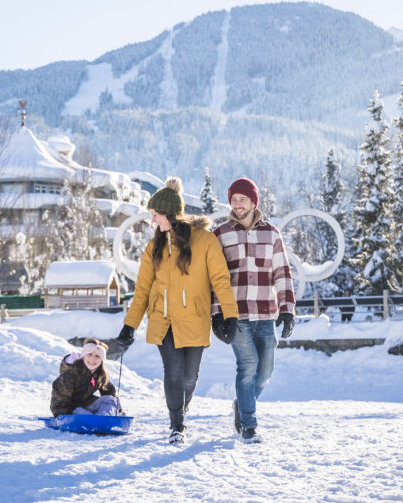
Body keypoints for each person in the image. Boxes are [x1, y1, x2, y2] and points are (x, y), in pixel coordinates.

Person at [115, 177, 239, 444]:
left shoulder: (205, 241)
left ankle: (180, 412)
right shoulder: (154, 247)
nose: (153, 220)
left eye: (155, 214)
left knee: (190, 378)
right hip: (164, 319)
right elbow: (143, 290)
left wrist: (230, 314)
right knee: (172, 371)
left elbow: (220, 280)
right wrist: (129, 325)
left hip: (195, 318)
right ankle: (177, 426)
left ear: (169, 213)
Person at [211, 177, 296, 443]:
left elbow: (282, 272)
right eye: (234, 200)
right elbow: (213, 277)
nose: (237, 205)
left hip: (265, 314)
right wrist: (217, 313)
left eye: (242, 199)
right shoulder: (221, 234)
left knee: (266, 370)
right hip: (236, 316)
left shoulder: (271, 233)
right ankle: (249, 425)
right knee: (247, 366)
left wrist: (287, 309)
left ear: (253, 202)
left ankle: (242, 404)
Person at [50, 338, 122, 417]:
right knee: (80, 411)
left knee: (111, 400)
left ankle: (104, 419)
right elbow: (59, 399)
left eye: (97, 356)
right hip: (71, 410)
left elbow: (109, 391)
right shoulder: (70, 374)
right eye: (89, 354)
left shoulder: (99, 374)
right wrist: (63, 416)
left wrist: (116, 410)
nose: (93, 359)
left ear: (101, 360)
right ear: (83, 356)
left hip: (87, 405)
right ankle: (93, 419)